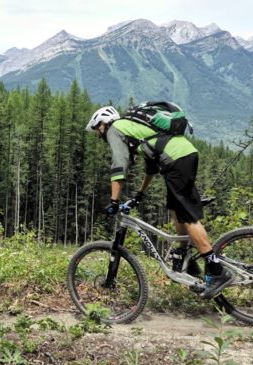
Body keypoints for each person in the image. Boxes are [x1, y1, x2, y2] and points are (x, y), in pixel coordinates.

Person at [85, 105, 233, 299]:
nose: (99, 135)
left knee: (187, 216)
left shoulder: (115, 129)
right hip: (183, 155)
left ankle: (216, 271)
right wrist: (139, 194)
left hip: (176, 160)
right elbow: (151, 168)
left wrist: (114, 201)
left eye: (97, 131)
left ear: (102, 124)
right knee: (174, 209)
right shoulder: (134, 129)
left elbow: (119, 164)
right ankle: (183, 256)